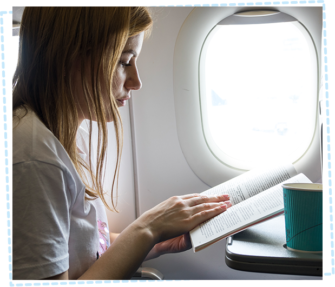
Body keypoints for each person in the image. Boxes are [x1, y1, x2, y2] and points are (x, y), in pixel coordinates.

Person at [12, 6, 231, 281]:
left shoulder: (60, 136)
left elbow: (88, 247)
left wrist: (156, 240)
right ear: (68, 57)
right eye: (124, 61)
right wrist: (147, 228)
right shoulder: (34, 158)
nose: (136, 82)